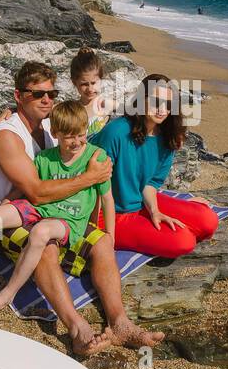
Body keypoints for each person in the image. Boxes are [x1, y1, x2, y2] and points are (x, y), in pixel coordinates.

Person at [0, 61, 162, 353]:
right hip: (18, 216)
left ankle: (119, 322)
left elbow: (79, 128)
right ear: (19, 96)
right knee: (45, 245)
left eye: (51, 94)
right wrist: (89, 177)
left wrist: (99, 164)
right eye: (37, 95)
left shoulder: (48, 123)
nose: (47, 100)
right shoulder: (8, 135)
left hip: (60, 209)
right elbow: (35, 193)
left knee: (103, 241)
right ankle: (76, 326)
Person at [0, 101, 115, 318]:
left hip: (69, 219)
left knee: (40, 232)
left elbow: (107, 199)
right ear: (55, 133)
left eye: (80, 134)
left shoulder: (96, 157)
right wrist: (6, 202)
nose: (77, 141)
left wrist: (110, 237)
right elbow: (24, 189)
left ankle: (5, 297)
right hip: (39, 208)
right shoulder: (44, 158)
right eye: (69, 136)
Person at [91, 73, 219, 258]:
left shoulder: (168, 136)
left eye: (168, 104)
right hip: (109, 213)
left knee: (208, 220)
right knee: (184, 241)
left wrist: (155, 211)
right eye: (156, 101)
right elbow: (94, 184)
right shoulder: (116, 132)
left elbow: (151, 183)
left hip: (141, 200)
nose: (162, 109)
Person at [69, 47, 112, 135]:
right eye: (84, 84)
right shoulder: (70, 110)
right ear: (74, 82)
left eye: (94, 83)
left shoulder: (107, 106)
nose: (90, 89)